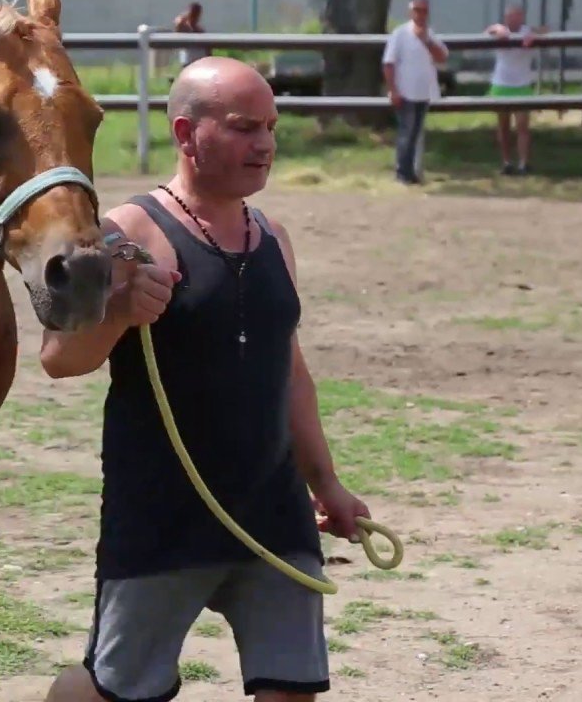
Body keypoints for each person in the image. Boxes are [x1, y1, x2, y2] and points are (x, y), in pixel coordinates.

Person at [39, 56, 372, 702]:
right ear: (187, 135)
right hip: (161, 517)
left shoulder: (274, 237)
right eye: (245, 127)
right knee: (115, 690)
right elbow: (58, 358)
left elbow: (291, 373)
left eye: (271, 127)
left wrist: (326, 482)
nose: (265, 143)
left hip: (274, 512)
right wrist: (118, 311)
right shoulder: (120, 234)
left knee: (293, 689)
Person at [382, 0, 449, 184]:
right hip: (405, 91)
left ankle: (410, 171)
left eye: (424, 11)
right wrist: (392, 90)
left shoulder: (430, 34)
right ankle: (402, 172)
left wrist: (426, 41)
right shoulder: (400, 34)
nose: (420, 14)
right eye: (417, 10)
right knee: (406, 132)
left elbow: (442, 57)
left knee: (415, 132)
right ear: (411, 13)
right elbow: (388, 63)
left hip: (423, 92)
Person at [485, 6, 548, 175]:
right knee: (503, 126)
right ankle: (506, 162)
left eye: (516, 15)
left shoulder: (528, 31)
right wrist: (496, 29)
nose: (513, 19)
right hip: (501, 85)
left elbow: (545, 30)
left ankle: (523, 163)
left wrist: (535, 35)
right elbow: (488, 31)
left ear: (522, 17)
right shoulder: (500, 30)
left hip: (522, 85)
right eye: (510, 16)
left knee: (522, 126)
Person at [174, 2, 208, 69]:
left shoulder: (200, 30)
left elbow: (207, 48)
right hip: (188, 62)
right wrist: (185, 16)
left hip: (200, 62)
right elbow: (178, 22)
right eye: (193, 13)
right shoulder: (184, 28)